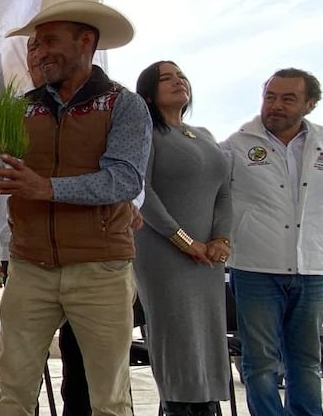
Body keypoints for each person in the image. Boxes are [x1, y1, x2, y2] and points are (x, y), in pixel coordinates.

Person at [0, 0, 151, 416]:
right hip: (28, 267)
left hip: (101, 270)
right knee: (13, 393)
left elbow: (125, 179)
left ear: (86, 41)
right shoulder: (17, 109)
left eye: (48, 40)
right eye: (34, 44)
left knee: (110, 400)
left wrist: (47, 188)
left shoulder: (124, 104)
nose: (38, 52)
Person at [0, 39, 92, 416]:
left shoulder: (102, 109)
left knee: (85, 368)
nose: (40, 59)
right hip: (21, 257)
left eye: (49, 50)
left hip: (88, 257)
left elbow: (128, 176)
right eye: (34, 52)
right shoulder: (7, 113)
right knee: (20, 369)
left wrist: (131, 208)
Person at [222, 68, 323, 416]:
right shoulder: (238, 143)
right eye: (270, 97)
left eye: (287, 98)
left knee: (306, 361)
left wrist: (314, 239)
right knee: (260, 362)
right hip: (255, 268)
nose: (275, 105)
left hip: (311, 270)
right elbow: (219, 197)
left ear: (309, 104)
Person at [133, 61, 232, 416]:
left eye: (181, 76)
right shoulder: (147, 132)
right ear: (148, 92)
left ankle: (207, 406)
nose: (178, 81)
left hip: (207, 258)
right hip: (164, 254)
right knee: (176, 336)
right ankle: (178, 407)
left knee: (206, 335)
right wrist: (184, 241)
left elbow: (224, 192)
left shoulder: (203, 134)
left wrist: (221, 238)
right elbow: (141, 191)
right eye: (166, 78)